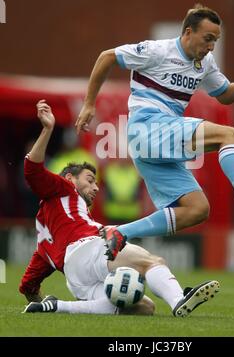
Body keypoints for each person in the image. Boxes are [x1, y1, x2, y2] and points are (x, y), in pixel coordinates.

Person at [75, 3, 234, 261]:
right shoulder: (158, 50)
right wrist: (89, 104)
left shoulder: (206, 63)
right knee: (229, 135)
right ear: (188, 33)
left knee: (197, 209)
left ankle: (118, 233)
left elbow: (226, 95)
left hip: (152, 145)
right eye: (207, 38)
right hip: (147, 128)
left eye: (215, 40)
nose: (211, 46)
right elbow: (106, 56)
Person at [20, 99, 220, 317]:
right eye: (89, 180)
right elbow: (32, 170)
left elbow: (28, 285)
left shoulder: (45, 239)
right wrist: (47, 129)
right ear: (69, 178)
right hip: (88, 249)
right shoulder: (64, 189)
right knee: (151, 262)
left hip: (75, 277)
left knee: (144, 308)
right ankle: (178, 299)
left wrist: (35, 299)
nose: (95, 187)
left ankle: (57, 307)